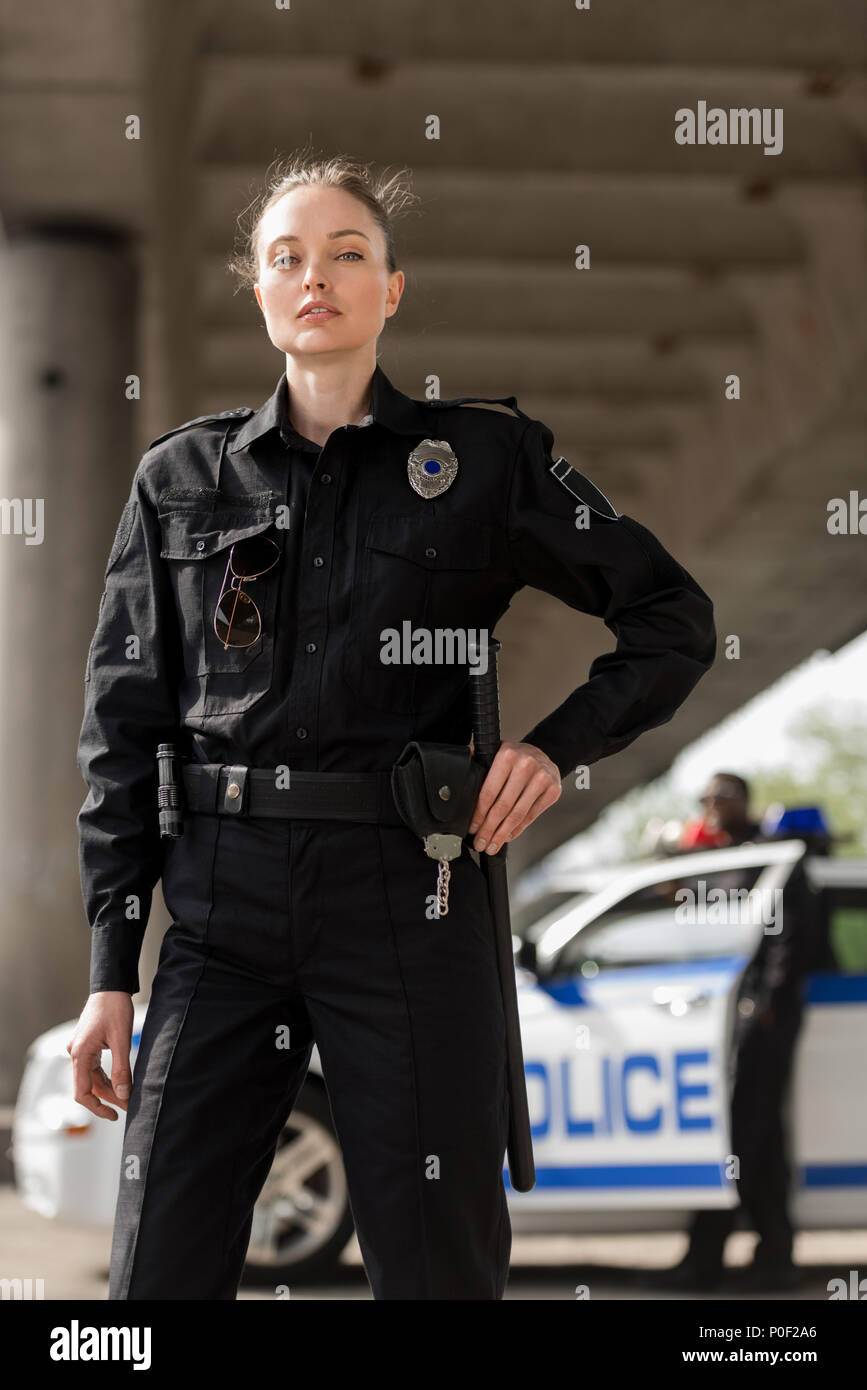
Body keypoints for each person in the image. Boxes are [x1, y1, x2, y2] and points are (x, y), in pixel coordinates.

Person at [68, 151, 717, 1301]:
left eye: (347, 254)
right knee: (154, 1273)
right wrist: (110, 970)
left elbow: (672, 618)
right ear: (259, 291)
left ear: (393, 291)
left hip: (412, 899)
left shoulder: (485, 461)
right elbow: (125, 727)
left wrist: (556, 746)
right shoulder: (181, 479)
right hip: (220, 905)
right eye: (287, 258)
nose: (315, 277)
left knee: (438, 1268)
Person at [651, 771, 810, 1293]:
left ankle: (706, 1259)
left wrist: (764, 1008)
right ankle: (774, 1255)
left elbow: (786, 940)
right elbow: (696, 921)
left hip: (760, 1022)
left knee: (737, 1136)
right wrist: (672, 874)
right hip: (720, 1020)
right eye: (704, 799)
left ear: (744, 801)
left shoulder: (774, 857)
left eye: (721, 796)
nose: (711, 806)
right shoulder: (719, 864)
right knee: (757, 1142)